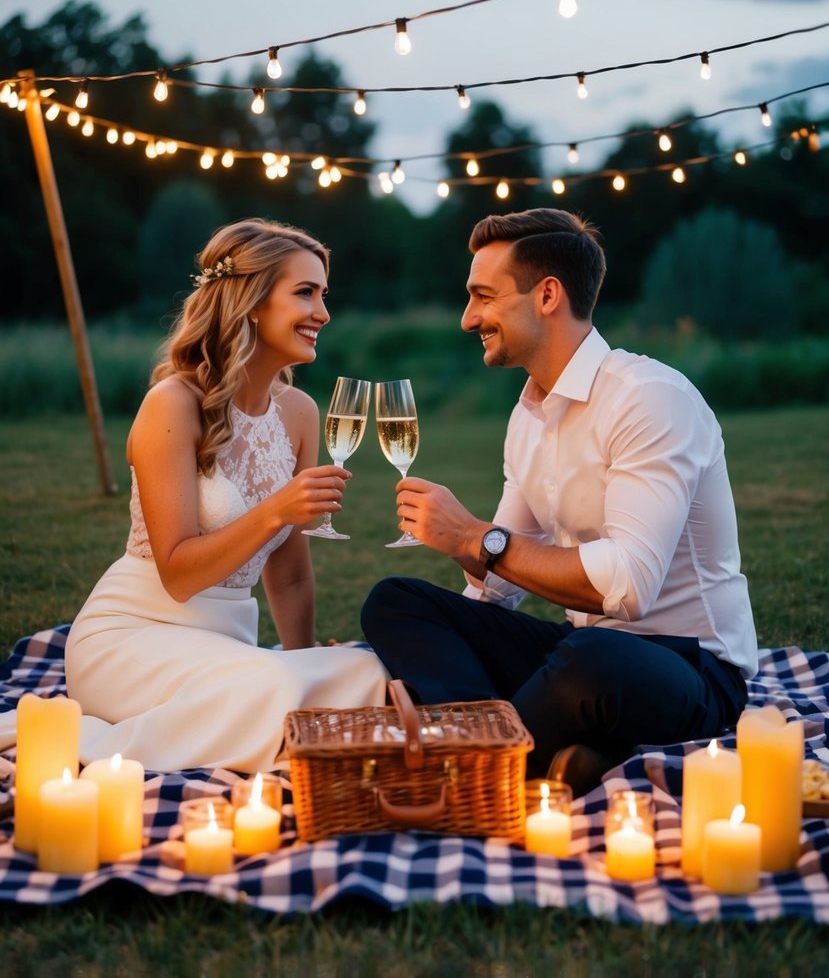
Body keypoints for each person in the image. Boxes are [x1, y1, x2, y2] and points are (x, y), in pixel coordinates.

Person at [361, 208, 758, 793]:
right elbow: (499, 584)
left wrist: (475, 537)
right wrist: (458, 550)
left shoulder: (648, 398)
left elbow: (625, 586)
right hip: (582, 651)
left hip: (690, 670)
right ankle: (517, 744)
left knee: (589, 660)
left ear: (547, 294)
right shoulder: (528, 416)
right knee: (395, 602)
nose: (468, 318)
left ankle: (474, 767)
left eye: (483, 297)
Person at [65, 218, 387, 773]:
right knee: (278, 686)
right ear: (254, 302)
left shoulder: (299, 414)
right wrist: (275, 512)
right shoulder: (173, 403)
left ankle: (273, 708)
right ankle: (96, 742)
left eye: (324, 295)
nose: (323, 313)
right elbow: (177, 573)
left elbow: (290, 575)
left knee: (367, 672)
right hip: (133, 638)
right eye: (305, 293)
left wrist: (303, 653)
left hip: (227, 651)